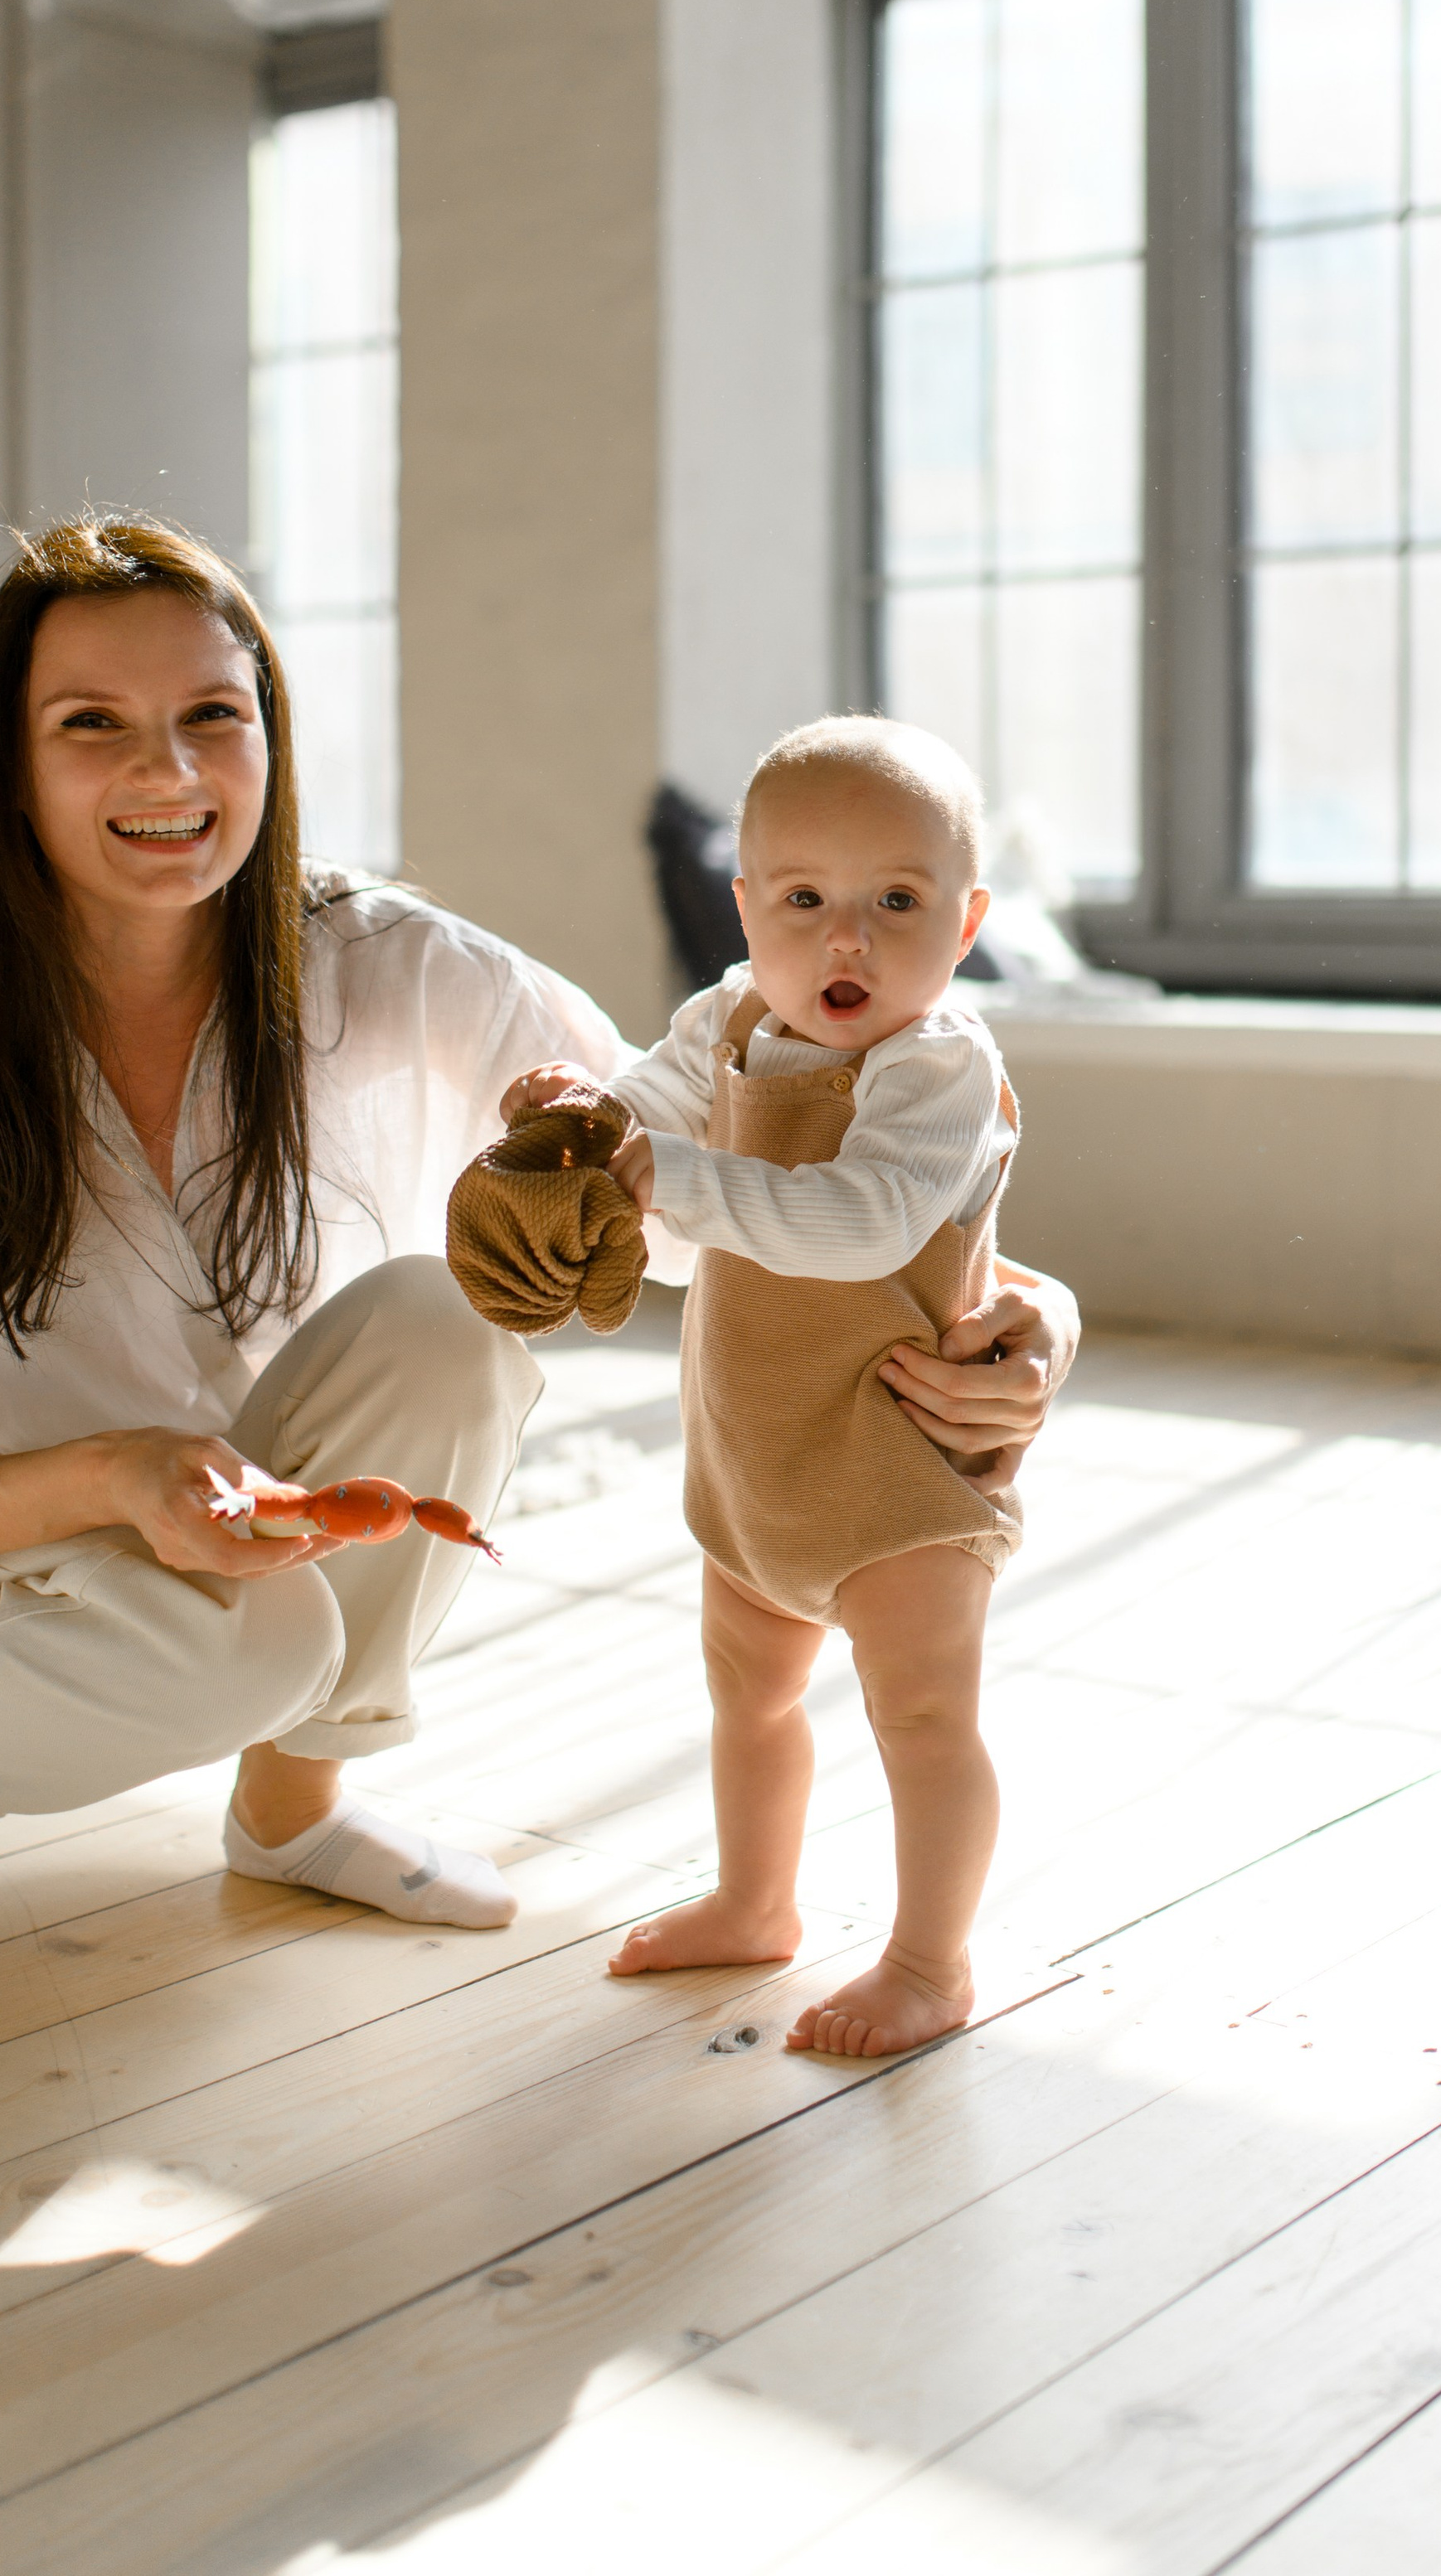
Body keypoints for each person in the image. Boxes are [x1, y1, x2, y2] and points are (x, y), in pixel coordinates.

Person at [0, 522, 1079, 1965]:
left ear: (269, 737)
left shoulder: (387, 958)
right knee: (254, 1643)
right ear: (6, 762)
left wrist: (1023, 1305)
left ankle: (289, 1807)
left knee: (449, 1321)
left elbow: (670, 1175)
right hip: (13, 1558)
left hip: (278, 1517)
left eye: (213, 717)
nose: (169, 774)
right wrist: (111, 1480)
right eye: (91, 727)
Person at [496, 717, 1035, 2061]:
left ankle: (928, 1961)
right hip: (757, 1454)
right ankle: (755, 1899)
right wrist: (590, 1117)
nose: (844, 943)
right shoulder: (728, 1016)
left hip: (893, 1456)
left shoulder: (939, 1069)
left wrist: (666, 1179)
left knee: (920, 1714)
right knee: (747, 1694)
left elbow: (861, 1219)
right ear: (747, 908)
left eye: (894, 904)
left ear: (965, 921)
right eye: (804, 902)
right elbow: (651, 1103)